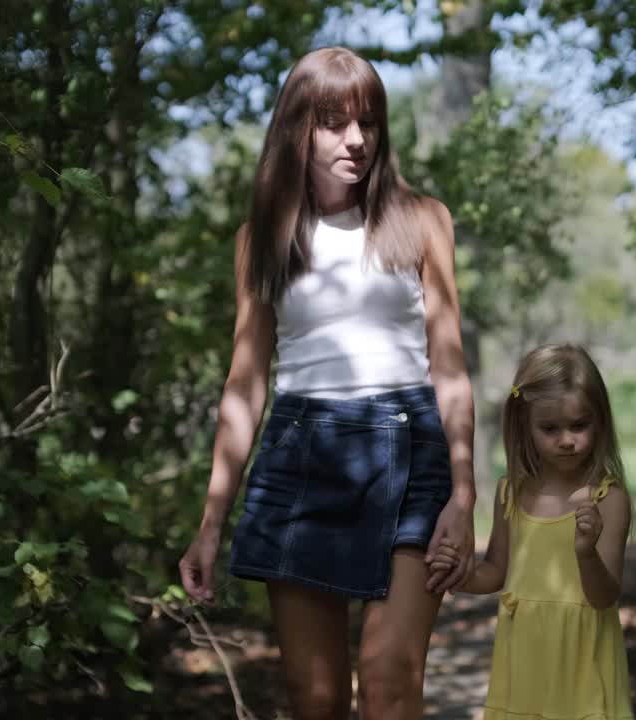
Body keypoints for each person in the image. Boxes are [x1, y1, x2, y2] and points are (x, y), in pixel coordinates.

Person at [176, 46, 476, 720]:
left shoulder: (424, 220)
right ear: (296, 130)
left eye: (367, 122)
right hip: (299, 453)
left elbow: (449, 364)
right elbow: (246, 381)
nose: (356, 140)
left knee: (388, 679)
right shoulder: (262, 238)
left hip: (412, 449)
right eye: (335, 123)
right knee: (315, 700)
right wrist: (210, 522)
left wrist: (464, 493)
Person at [433, 343, 634, 719]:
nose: (566, 439)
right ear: (524, 424)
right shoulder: (512, 492)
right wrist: (461, 574)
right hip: (524, 657)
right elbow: (496, 570)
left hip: (581, 660)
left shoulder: (609, 499)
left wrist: (586, 552)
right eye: (550, 428)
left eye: (579, 425)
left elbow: (605, 595)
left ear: (600, 421)